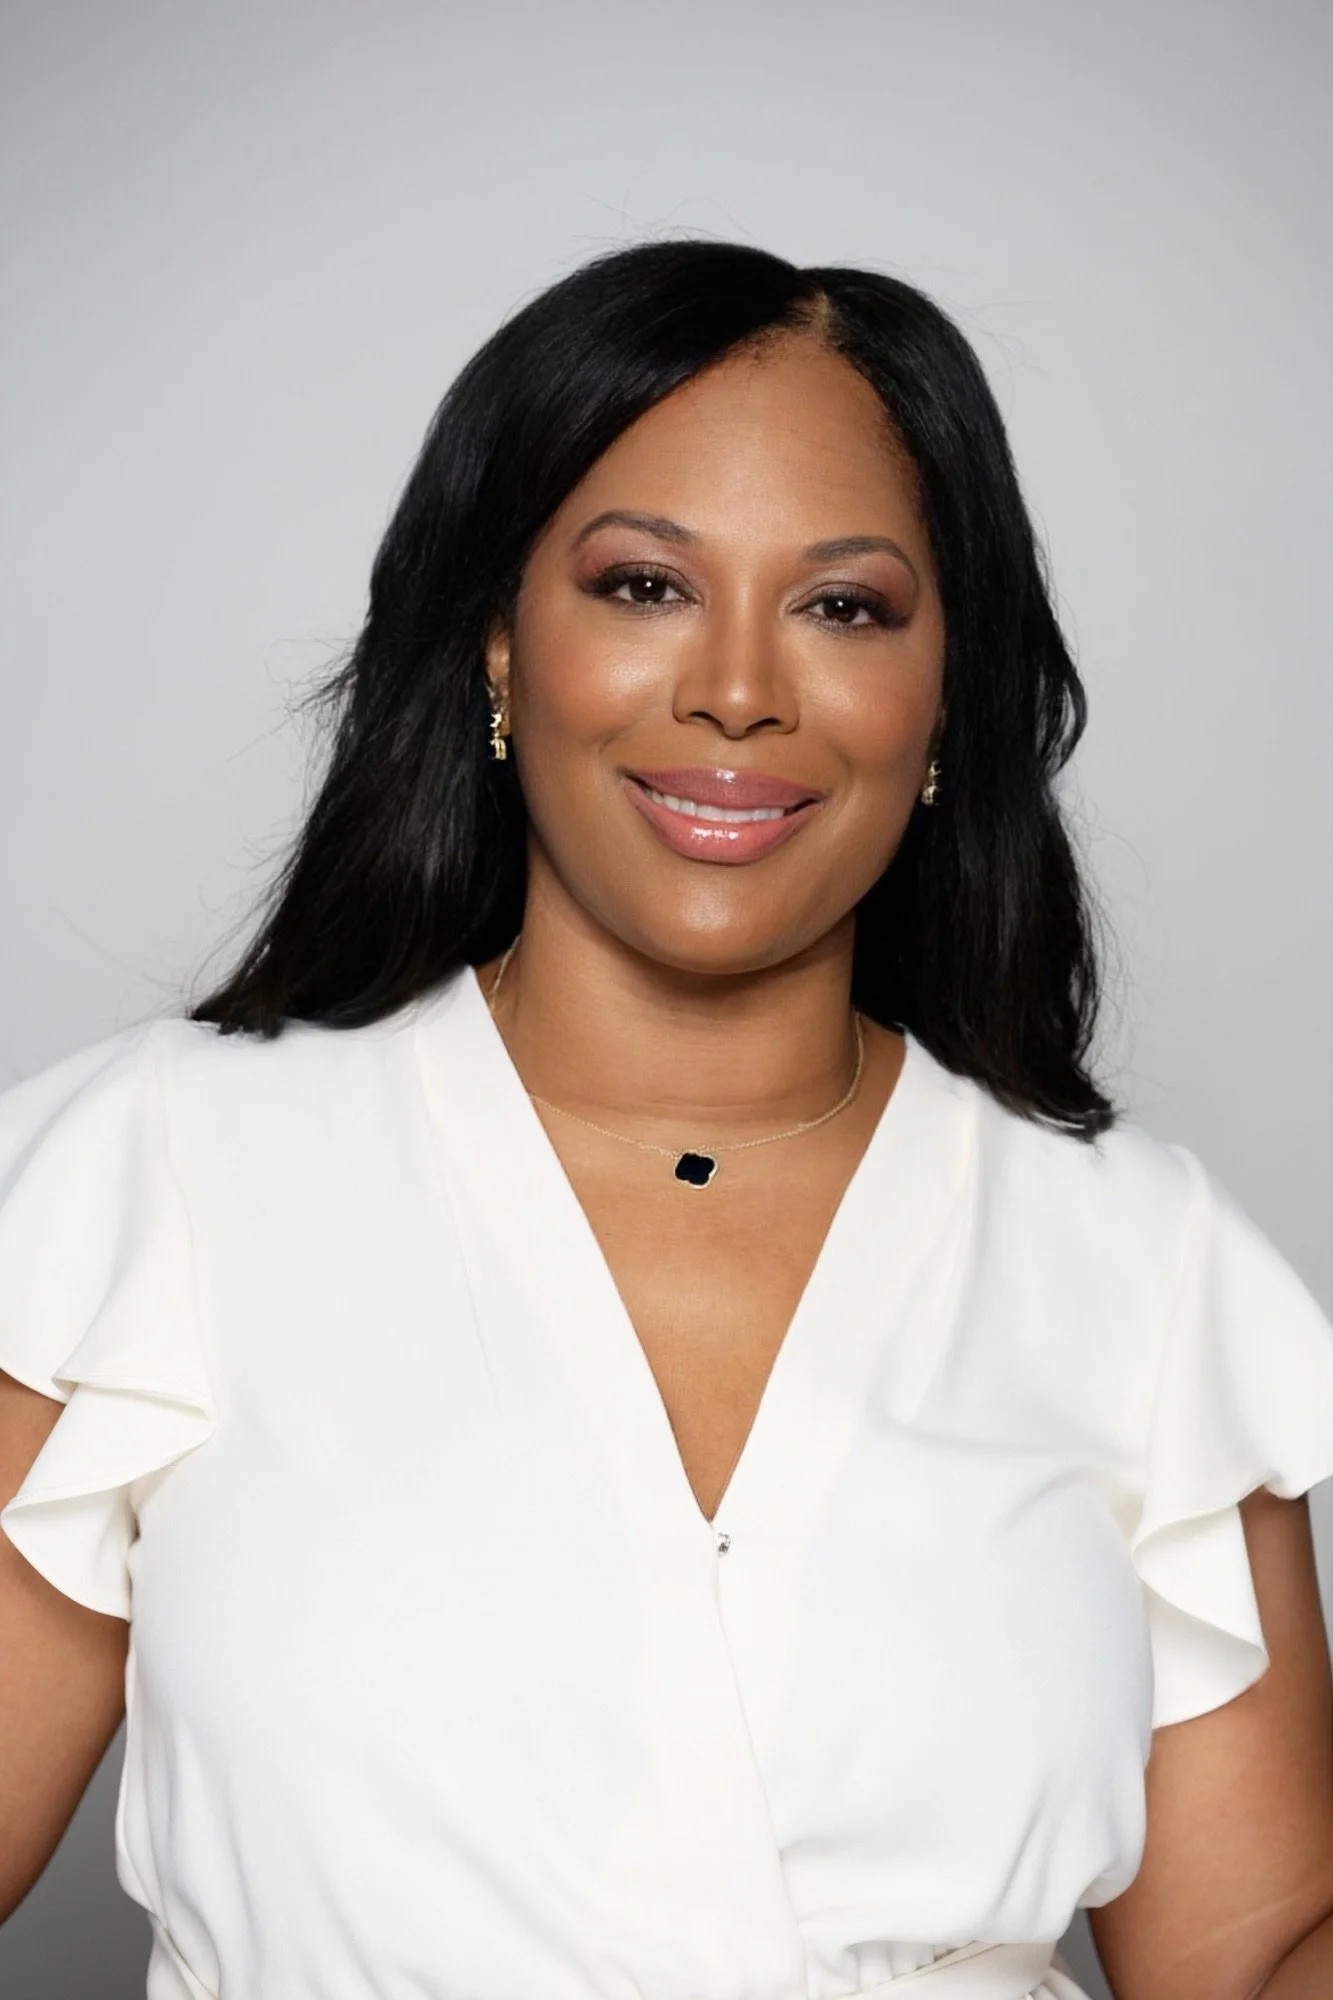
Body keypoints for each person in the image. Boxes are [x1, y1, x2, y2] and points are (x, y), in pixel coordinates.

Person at [1, 239, 1330, 2000]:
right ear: (494, 644)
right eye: (643, 586)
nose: (736, 691)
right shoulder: (154, 1177)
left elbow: (1255, 1964)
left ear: (942, 701)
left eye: (845, 607)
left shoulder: (1141, 1265)